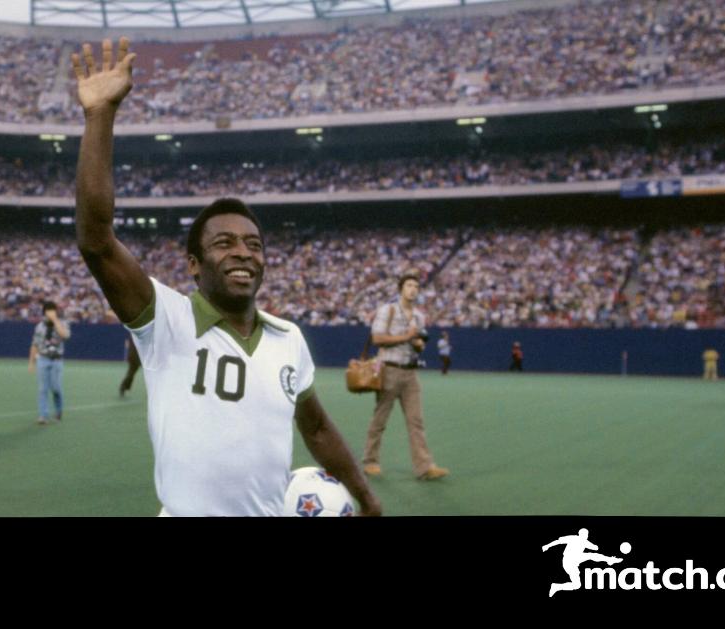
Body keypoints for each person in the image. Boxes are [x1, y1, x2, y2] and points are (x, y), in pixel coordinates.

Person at [72, 37, 380, 516]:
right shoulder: (165, 319)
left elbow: (317, 429)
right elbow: (96, 240)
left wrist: (366, 499)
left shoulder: (288, 339)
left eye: (254, 245)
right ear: (193, 264)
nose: (243, 253)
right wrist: (100, 116)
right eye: (224, 243)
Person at [362, 274, 450, 481]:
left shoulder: (419, 316)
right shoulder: (388, 310)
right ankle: (370, 461)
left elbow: (418, 344)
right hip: (389, 369)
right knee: (380, 419)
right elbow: (377, 338)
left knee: (416, 422)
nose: (413, 289)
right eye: (409, 285)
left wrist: (418, 344)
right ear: (401, 289)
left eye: (416, 286)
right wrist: (407, 336)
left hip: (410, 373)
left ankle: (425, 467)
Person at [29, 301, 70, 425]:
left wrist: (55, 320)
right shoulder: (40, 326)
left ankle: (58, 411)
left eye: (52, 310)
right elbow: (35, 344)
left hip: (56, 359)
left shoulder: (62, 323)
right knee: (43, 389)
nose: (50, 312)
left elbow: (65, 335)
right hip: (43, 359)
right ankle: (43, 415)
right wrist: (31, 362)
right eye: (48, 310)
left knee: (56, 388)